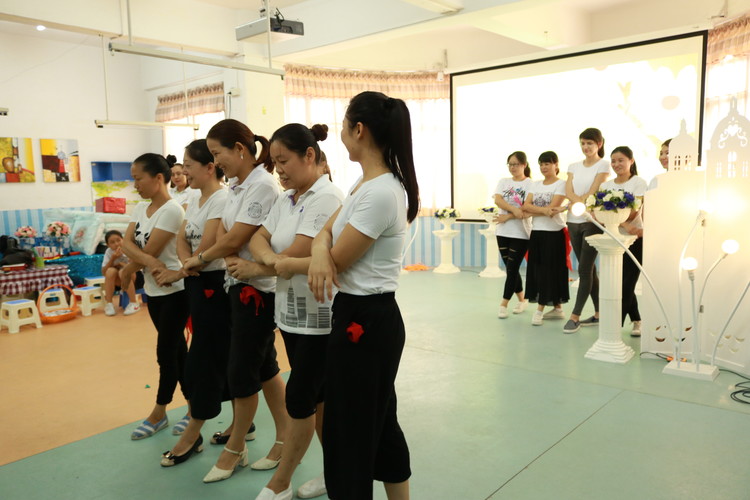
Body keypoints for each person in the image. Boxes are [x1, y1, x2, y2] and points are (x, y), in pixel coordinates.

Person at [305, 91, 417, 500]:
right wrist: (321, 249)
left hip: (367, 322)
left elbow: (337, 259)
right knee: (380, 423)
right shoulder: (364, 183)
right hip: (359, 314)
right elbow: (325, 235)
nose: (340, 134)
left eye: (343, 125)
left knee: (348, 435)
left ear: (359, 130)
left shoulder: (381, 191)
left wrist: (318, 254)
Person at [181, 119, 287, 483]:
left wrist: (199, 259)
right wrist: (225, 252)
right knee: (265, 369)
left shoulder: (262, 186)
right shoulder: (238, 187)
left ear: (239, 149)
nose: (215, 162)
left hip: (257, 290)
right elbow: (227, 234)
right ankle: (284, 438)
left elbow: (236, 236)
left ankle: (236, 447)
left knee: (241, 372)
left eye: (217, 154)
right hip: (236, 283)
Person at [242, 123, 343, 500]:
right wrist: (272, 262)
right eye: (274, 162)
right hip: (290, 313)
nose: (278, 170)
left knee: (300, 398)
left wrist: (259, 266)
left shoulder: (326, 197)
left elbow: (300, 251)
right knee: (319, 399)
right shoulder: (287, 199)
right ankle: (336, 472)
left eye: (283, 161)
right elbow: (259, 237)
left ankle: (280, 483)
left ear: (310, 155)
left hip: (320, 316)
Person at [153, 139, 231, 466]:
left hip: (215, 286)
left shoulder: (222, 198)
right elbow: (182, 239)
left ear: (210, 167)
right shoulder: (195, 199)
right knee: (221, 359)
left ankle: (193, 433)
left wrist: (184, 266)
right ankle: (242, 424)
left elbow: (210, 245)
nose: (183, 172)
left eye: (188, 165)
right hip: (195, 282)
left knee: (202, 362)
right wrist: (187, 263)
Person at [120, 153, 190, 440]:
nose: (135, 184)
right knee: (178, 352)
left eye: (138, 178)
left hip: (175, 292)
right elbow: (126, 243)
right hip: (153, 291)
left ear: (158, 178)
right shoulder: (140, 208)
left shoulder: (172, 210)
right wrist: (142, 263)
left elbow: (149, 251)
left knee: (166, 353)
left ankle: (159, 412)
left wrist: (130, 268)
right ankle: (194, 407)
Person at [563, 127, 610, 333]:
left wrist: (579, 202)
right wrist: (577, 202)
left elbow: (594, 191)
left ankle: (575, 316)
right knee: (589, 270)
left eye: (589, 143)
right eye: (583, 143)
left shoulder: (604, 165)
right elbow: (568, 190)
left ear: (599, 144)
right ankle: (599, 313)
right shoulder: (573, 166)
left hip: (592, 221)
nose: (586, 147)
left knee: (584, 269)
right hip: (573, 221)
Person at [600, 146, 647, 337]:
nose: (616, 164)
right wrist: (624, 224)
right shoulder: (605, 186)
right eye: (613, 161)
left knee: (627, 284)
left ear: (631, 161)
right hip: (612, 240)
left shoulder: (638, 183)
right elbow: (599, 214)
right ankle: (637, 320)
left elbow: (634, 211)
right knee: (616, 283)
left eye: (621, 160)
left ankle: (613, 327)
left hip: (634, 240)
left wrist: (626, 225)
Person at [523, 151, 569, 326]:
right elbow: (526, 206)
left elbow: (554, 208)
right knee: (538, 270)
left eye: (547, 163)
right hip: (537, 232)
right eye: (541, 164)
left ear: (556, 165)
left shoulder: (562, 184)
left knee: (551, 271)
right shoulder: (535, 184)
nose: (544, 167)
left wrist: (534, 210)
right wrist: (543, 210)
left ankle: (540, 310)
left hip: (554, 233)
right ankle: (557, 308)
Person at [493, 151, 532, 318]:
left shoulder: (530, 184)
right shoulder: (504, 181)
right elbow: (498, 200)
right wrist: (514, 210)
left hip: (521, 233)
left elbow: (526, 209)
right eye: (510, 164)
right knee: (511, 269)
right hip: (502, 231)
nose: (512, 167)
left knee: (512, 269)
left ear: (524, 165)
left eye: (516, 164)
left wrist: (508, 216)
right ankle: (522, 300)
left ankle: (504, 303)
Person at [101, 229, 139, 316]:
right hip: (118, 282)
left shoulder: (129, 249)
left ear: (123, 239)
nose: (116, 244)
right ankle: (109, 304)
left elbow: (136, 267)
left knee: (123, 272)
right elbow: (103, 272)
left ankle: (134, 303)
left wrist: (121, 263)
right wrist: (113, 259)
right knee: (110, 271)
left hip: (134, 278)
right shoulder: (109, 252)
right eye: (112, 242)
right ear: (108, 245)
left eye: (118, 240)